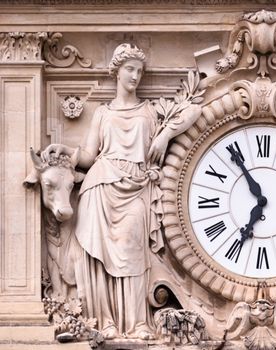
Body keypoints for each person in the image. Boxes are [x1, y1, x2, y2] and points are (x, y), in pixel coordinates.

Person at [42, 43, 201, 339]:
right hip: (100, 187)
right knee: (99, 257)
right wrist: (65, 150)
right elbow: (90, 155)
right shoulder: (103, 112)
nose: (135, 76)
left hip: (136, 189)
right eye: (130, 69)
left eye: (140, 71)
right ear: (117, 72)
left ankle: (138, 323)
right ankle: (106, 322)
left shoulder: (149, 111)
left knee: (133, 251)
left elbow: (194, 108)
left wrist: (165, 134)